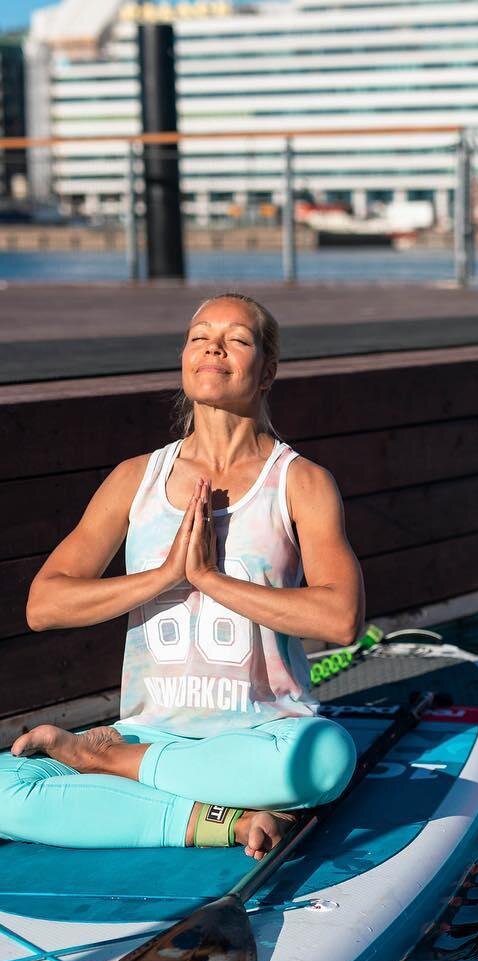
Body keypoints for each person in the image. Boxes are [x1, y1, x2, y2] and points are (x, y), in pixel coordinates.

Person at [1, 293, 362, 859]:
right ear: (185, 359)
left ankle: (111, 768)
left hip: (262, 733)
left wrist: (211, 579)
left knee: (324, 758)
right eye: (200, 336)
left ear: (267, 371)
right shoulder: (135, 478)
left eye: (237, 339)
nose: (213, 346)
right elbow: (44, 605)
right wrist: (167, 576)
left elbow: (341, 621)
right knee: (5, 787)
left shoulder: (299, 481)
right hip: (156, 732)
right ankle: (217, 819)